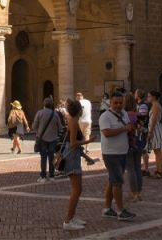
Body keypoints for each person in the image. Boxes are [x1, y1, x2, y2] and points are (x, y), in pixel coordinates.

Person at [97, 91, 136, 222]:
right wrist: (125, 129)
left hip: (122, 152)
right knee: (117, 183)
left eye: (120, 102)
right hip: (111, 153)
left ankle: (107, 209)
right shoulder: (105, 116)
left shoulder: (124, 113)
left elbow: (127, 127)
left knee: (112, 181)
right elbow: (106, 133)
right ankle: (120, 211)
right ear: (110, 103)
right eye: (116, 103)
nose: (119, 105)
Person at [60, 98, 94, 231]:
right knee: (76, 190)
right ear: (79, 110)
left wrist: (86, 157)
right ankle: (68, 221)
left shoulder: (73, 120)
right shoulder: (73, 121)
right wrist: (88, 141)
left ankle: (72, 217)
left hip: (73, 155)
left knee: (78, 189)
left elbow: (73, 145)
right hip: (72, 158)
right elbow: (73, 143)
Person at [33, 97, 62, 182]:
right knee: (51, 157)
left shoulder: (39, 113)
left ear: (44, 104)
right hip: (53, 139)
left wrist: (39, 129)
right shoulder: (55, 114)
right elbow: (60, 127)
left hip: (42, 139)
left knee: (43, 157)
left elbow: (34, 127)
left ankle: (43, 176)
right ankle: (52, 175)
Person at [125, 93, 145, 203]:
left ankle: (134, 193)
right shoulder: (138, 114)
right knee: (137, 167)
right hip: (139, 142)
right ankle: (139, 192)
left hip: (128, 143)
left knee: (130, 168)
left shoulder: (125, 115)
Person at [146, 90, 162, 179]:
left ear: (154, 97)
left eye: (149, 96)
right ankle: (159, 170)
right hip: (156, 128)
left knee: (158, 151)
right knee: (157, 151)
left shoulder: (155, 105)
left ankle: (159, 171)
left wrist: (150, 131)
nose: (148, 98)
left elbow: (154, 119)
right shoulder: (155, 105)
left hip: (155, 129)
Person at [74, 93, 98, 165]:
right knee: (87, 134)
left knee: (80, 135)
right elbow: (90, 109)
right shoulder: (88, 102)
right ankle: (87, 148)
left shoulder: (77, 103)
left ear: (77, 97)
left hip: (80, 121)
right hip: (88, 120)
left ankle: (81, 148)